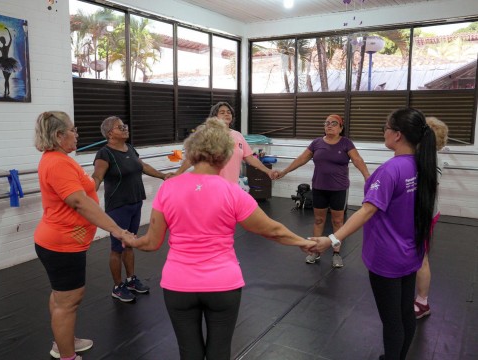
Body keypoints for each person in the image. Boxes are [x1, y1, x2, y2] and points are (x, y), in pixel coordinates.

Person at [122, 117, 316, 360]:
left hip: (179, 285)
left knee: (189, 352)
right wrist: (303, 242)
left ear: (191, 154)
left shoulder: (168, 189)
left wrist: (131, 241)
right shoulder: (232, 191)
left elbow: (151, 243)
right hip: (222, 284)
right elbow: (272, 230)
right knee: (219, 352)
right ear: (224, 156)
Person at [310, 108, 437, 360]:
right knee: (404, 314)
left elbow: (367, 211)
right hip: (410, 253)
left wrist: (332, 239)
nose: (384, 132)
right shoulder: (421, 166)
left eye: (386, 128)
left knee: (392, 321)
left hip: (387, 258)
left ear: (397, 135)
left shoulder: (391, 170)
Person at [33, 111, 135, 360]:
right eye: (73, 130)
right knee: (68, 302)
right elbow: (79, 202)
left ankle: (63, 341)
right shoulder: (58, 162)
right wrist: (117, 230)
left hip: (62, 241)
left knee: (61, 299)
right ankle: (67, 355)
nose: (77, 135)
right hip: (62, 244)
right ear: (59, 135)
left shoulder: (58, 159)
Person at [92, 116, 173, 302]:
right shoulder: (104, 154)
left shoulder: (130, 148)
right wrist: (86, 193)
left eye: (125, 125)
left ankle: (130, 280)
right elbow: (97, 177)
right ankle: (117, 286)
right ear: (110, 133)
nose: (125, 128)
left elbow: (142, 166)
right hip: (118, 207)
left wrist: (163, 176)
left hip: (135, 203)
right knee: (117, 248)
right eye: (121, 127)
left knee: (130, 243)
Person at [276, 114, 370, 268]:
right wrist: (284, 171)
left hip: (339, 189)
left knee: (337, 221)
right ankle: (315, 251)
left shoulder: (346, 143)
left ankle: (336, 253)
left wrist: (368, 177)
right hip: (319, 188)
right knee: (319, 220)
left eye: (334, 123)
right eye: (327, 123)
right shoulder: (317, 143)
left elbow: (358, 160)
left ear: (340, 128)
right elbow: (301, 159)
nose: (329, 125)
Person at [175, 101, 279, 183]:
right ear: (215, 117)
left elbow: (250, 158)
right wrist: (178, 173)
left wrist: (268, 171)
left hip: (231, 187)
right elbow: (192, 157)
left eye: (229, 112)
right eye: (222, 112)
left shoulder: (238, 135)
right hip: (211, 186)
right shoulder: (207, 134)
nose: (227, 114)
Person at [414, 116, 448, 319]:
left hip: (425, 213)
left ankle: (423, 302)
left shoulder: (431, 160)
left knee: (421, 257)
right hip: (424, 212)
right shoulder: (423, 157)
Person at [0, 27, 21, 97]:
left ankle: (6, 91)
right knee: (6, 79)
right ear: (2, 41)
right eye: (3, 41)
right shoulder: (2, 47)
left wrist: (8, 31)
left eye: (3, 40)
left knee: (7, 79)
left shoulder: (7, 47)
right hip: (3, 63)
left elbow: (11, 40)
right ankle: (7, 91)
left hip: (8, 63)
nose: (3, 41)